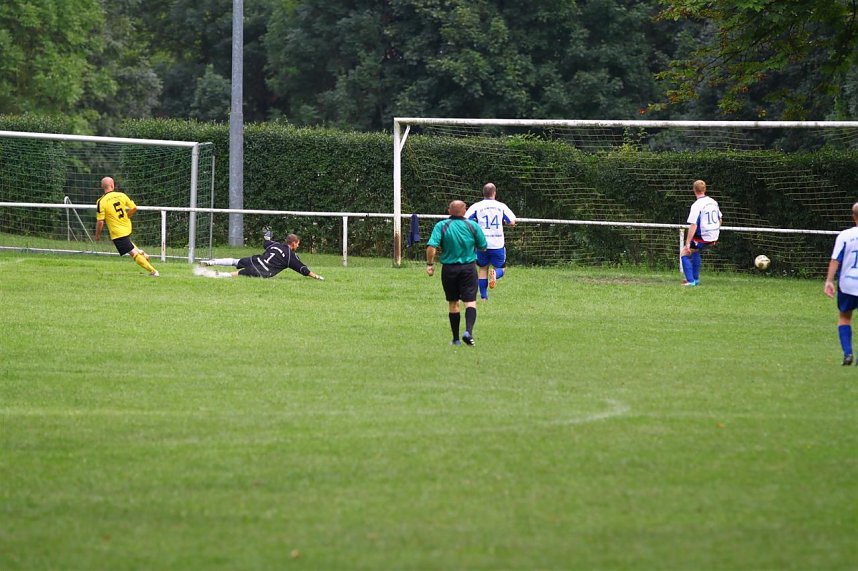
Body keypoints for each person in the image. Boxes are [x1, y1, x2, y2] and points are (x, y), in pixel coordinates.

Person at [426, 200, 488, 346]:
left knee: (453, 303)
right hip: (468, 269)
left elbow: (431, 246)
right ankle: (468, 332)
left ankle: (455, 339)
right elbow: (483, 246)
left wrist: (430, 264)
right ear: (465, 211)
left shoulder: (441, 226)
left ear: (449, 211)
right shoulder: (472, 226)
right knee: (470, 302)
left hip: (449, 270)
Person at [94, 176, 159, 277]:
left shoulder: (101, 201)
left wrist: (97, 235)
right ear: (113, 185)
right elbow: (134, 208)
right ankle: (143, 254)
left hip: (117, 233)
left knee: (133, 253)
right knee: (129, 244)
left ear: (102, 187)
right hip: (127, 227)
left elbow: (100, 221)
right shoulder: (122, 195)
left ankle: (153, 271)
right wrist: (127, 216)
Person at [195, 231, 324, 280]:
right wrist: (317, 277)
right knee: (238, 274)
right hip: (263, 270)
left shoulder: (275, 245)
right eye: (298, 244)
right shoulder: (291, 256)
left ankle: (212, 262)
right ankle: (214, 275)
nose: (298, 246)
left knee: (235, 261)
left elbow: (266, 241)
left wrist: (267, 235)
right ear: (294, 243)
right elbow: (303, 269)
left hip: (256, 260)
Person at [465, 182, 516, 300]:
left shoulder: (476, 206)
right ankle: (495, 275)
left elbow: (466, 220)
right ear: (494, 193)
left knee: (482, 269)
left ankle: (484, 297)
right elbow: (512, 221)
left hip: (482, 243)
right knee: (501, 268)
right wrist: (506, 223)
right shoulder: (501, 206)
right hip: (497, 243)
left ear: (483, 193)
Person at [824, 202, 858, 365]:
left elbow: (835, 259)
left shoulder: (844, 236)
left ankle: (847, 353)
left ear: (853, 217)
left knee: (845, 317)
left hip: (848, 284)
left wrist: (829, 281)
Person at [681, 179, 722, 286]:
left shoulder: (697, 205)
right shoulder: (713, 202)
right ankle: (695, 279)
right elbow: (720, 219)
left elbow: (693, 225)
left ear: (694, 190)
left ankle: (691, 281)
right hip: (713, 235)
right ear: (705, 189)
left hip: (703, 237)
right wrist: (715, 234)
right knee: (695, 251)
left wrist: (687, 243)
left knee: (684, 252)